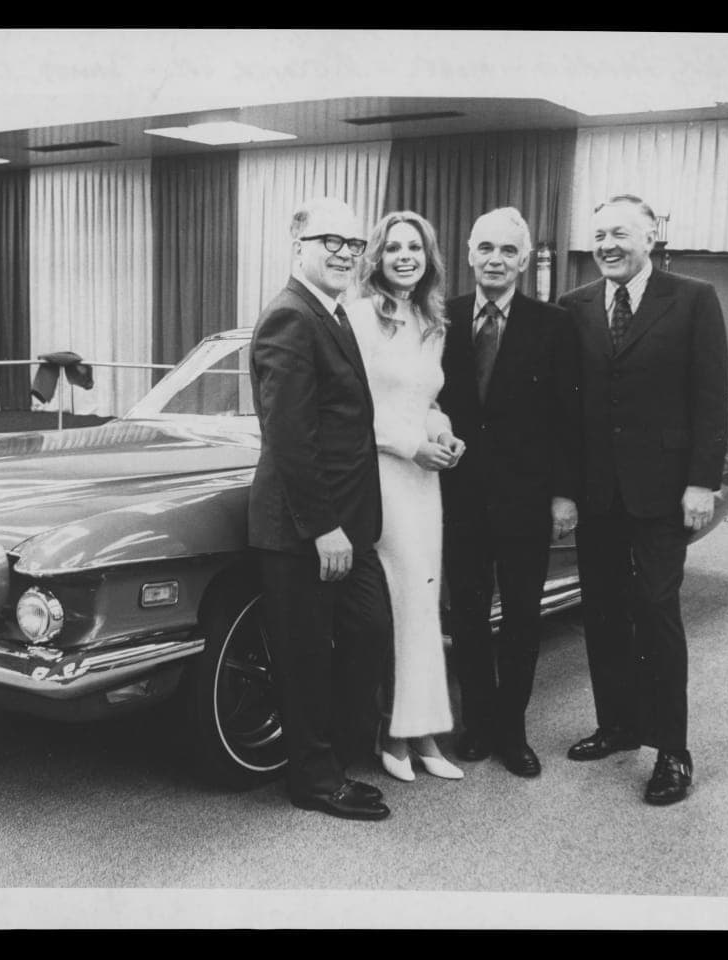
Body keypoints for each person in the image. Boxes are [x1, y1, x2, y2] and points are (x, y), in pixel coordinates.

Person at [558, 195, 728, 806]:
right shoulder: (574, 306)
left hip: (663, 494)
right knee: (602, 611)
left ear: (651, 236)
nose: (607, 244)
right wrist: (562, 491)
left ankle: (671, 750)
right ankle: (618, 725)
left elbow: (711, 398)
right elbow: (564, 409)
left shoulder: (693, 298)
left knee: (656, 610)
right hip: (597, 495)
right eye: (599, 233)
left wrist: (701, 483)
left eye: (620, 233)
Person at [248, 197, 392, 821]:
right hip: (305, 529)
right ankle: (313, 780)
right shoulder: (290, 316)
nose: (343, 252)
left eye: (354, 244)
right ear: (297, 244)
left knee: (367, 630)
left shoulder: (329, 313)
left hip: (343, 525)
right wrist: (325, 528)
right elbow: (291, 436)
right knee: (306, 657)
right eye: (330, 240)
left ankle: (330, 751)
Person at [438, 207, 582, 778]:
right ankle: (476, 722)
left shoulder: (554, 324)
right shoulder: (441, 318)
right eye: (485, 249)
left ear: (524, 261)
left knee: (523, 616)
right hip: (459, 499)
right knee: (468, 617)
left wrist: (565, 495)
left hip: (527, 499)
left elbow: (569, 419)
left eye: (507, 251)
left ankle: (513, 729)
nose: (495, 259)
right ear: (469, 254)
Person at [346, 211, 466, 784]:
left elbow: (426, 398)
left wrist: (441, 431)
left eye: (414, 247)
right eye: (392, 247)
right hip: (383, 477)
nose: (403, 256)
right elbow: (356, 412)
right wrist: (414, 444)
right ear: (377, 255)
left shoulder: (430, 318)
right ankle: (391, 730)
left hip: (424, 482)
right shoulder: (363, 315)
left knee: (423, 606)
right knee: (398, 610)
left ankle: (424, 733)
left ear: (428, 256)